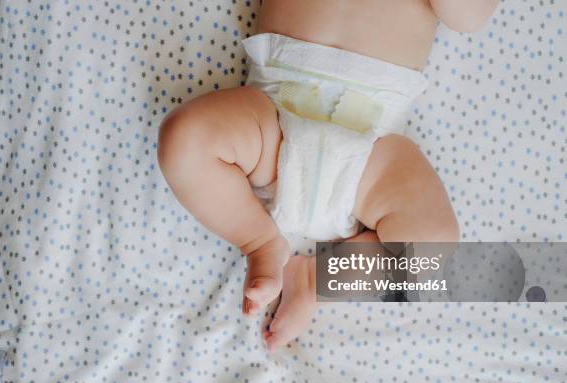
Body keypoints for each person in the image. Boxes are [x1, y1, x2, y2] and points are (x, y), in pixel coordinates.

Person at [158, 0, 498, 351]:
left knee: (431, 249)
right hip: (273, 120)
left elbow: (469, 17)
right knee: (184, 137)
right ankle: (259, 241)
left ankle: (316, 280)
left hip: (370, 155)